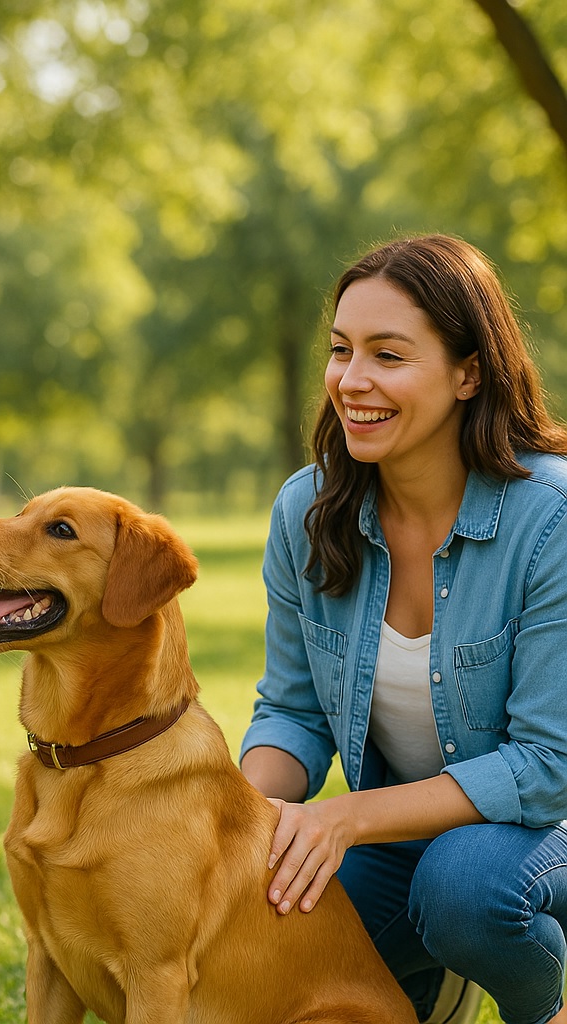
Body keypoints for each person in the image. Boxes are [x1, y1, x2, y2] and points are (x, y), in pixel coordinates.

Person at [239, 234, 567, 1024]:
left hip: (540, 832)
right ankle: (435, 980)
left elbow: (549, 764)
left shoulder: (551, 517)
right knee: (274, 907)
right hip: (399, 835)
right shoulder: (307, 511)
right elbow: (292, 711)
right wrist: (235, 826)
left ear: (469, 372)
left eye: (388, 355)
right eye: (342, 350)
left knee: (465, 889)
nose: (352, 382)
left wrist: (345, 818)